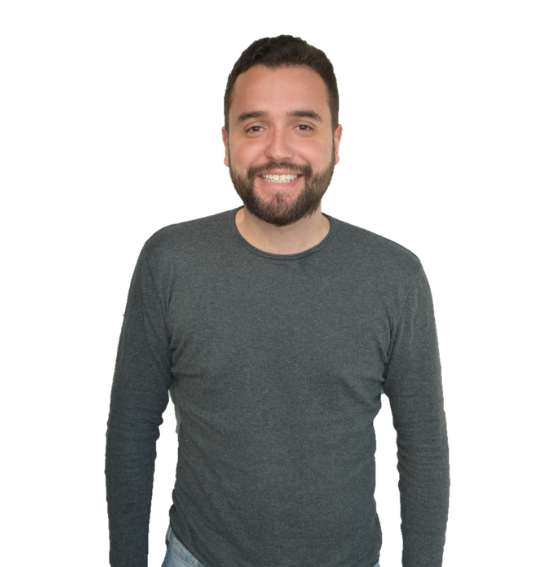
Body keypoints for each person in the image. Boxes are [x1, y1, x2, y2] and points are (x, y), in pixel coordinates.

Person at [106, 35, 449, 567]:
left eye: (303, 126)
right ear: (226, 143)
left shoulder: (394, 277)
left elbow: (423, 445)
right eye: (255, 127)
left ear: (336, 141)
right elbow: (131, 430)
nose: (278, 150)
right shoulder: (169, 262)